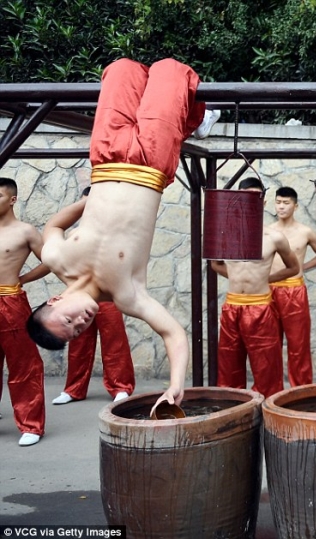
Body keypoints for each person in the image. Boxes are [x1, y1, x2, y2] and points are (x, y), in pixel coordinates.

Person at [26, 57, 213, 412]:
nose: (81, 323)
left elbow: (52, 227)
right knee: (170, 70)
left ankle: (195, 120)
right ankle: (197, 120)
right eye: (78, 331)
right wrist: (176, 384)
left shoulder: (57, 259)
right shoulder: (128, 295)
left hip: (107, 157)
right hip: (151, 162)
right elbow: (173, 332)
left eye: (69, 320)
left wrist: (87, 205)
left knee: (122, 68)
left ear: (53, 301)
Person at [211, 177, 300, 397]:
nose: (251, 201)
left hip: (260, 308)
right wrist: (234, 276)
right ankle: (233, 414)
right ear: (238, 199)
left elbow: (292, 268)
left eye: (256, 197)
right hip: (232, 306)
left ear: (263, 201)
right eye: (246, 197)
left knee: (267, 368)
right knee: (228, 367)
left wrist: (265, 279)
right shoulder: (225, 233)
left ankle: (268, 418)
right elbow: (215, 264)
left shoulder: (274, 237)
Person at [52, 187, 135, 405]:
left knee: (114, 341)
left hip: (107, 296)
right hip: (80, 297)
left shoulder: (115, 234)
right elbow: (60, 263)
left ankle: (120, 387)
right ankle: (73, 389)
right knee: (78, 341)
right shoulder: (72, 234)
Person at [0, 177, 49, 445]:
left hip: (11, 302)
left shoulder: (25, 231)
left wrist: (24, 278)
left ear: (12, 199)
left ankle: (31, 424)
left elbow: (51, 260)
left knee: (24, 364)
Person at [268, 186, 316, 387]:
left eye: (286, 203)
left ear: (295, 206)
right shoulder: (268, 231)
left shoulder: (305, 232)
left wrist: (302, 267)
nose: (281, 206)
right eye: (278, 202)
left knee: (298, 344)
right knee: (270, 344)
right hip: (269, 291)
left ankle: (300, 390)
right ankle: (273, 390)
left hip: (294, 291)